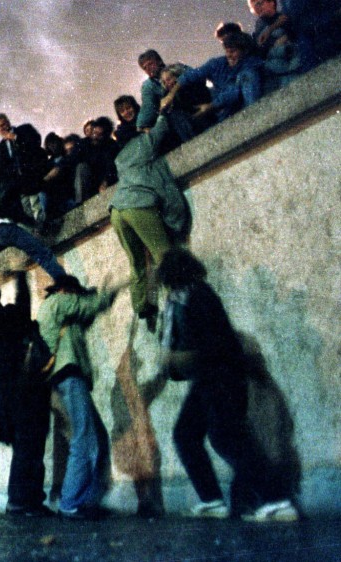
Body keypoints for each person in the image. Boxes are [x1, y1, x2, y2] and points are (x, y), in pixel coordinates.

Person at [158, 248, 299, 522]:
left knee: (227, 438)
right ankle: (212, 500)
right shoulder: (182, 299)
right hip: (207, 379)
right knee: (186, 434)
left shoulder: (198, 296)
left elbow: (214, 347)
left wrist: (177, 357)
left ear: (173, 273)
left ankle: (276, 500)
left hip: (222, 377)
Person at [37, 275, 125, 520]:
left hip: (70, 379)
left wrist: (101, 298)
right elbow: (88, 306)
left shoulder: (64, 314)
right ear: (67, 290)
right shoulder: (58, 301)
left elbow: (87, 314)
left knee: (98, 437)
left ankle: (89, 499)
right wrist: (111, 291)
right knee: (84, 439)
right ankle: (70, 502)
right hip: (69, 377)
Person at [0, 271, 54, 517]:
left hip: (8, 395)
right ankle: (24, 501)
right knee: (31, 449)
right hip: (28, 392)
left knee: (25, 450)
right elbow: (24, 300)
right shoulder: (20, 325)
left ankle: (24, 500)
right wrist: (20, 275)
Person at [109, 113, 191, 328]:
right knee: (163, 254)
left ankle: (143, 306)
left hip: (117, 211)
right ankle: (179, 301)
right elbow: (162, 128)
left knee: (136, 262)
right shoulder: (142, 143)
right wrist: (163, 112)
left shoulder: (119, 159)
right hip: (138, 205)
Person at [0, 115, 66, 282]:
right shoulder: (2, 147)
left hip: (32, 176)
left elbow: (35, 143)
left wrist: (16, 138)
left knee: (38, 205)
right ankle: (38, 232)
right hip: (17, 186)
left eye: (3, 124)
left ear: (8, 122)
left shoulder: (24, 130)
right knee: (27, 209)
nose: (2, 128)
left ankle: (43, 230)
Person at [161, 30, 263, 123]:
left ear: (244, 51)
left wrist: (211, 106)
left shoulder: (251, 64)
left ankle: (254, 117)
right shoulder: (218, 63)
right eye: (227, 51)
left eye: (233, 51)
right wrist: (171, 94)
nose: (229, 55)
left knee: (248, 76)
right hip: (223, 110)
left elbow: (233, 92)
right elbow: (193, 74)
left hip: (241, 105)